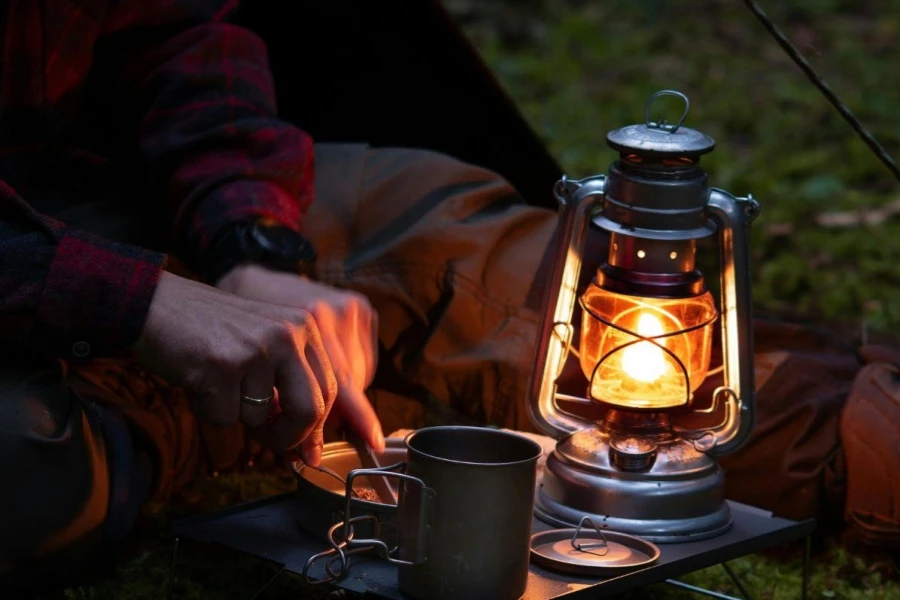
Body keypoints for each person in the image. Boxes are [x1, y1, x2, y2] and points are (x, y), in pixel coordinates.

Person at [1, 0, 898, 592]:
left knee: (454, 242)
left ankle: (267, 385)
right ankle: (187, 401)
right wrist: (137, 305)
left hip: (118, 188)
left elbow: (178, 34)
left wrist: (253, 248)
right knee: (25, 474)